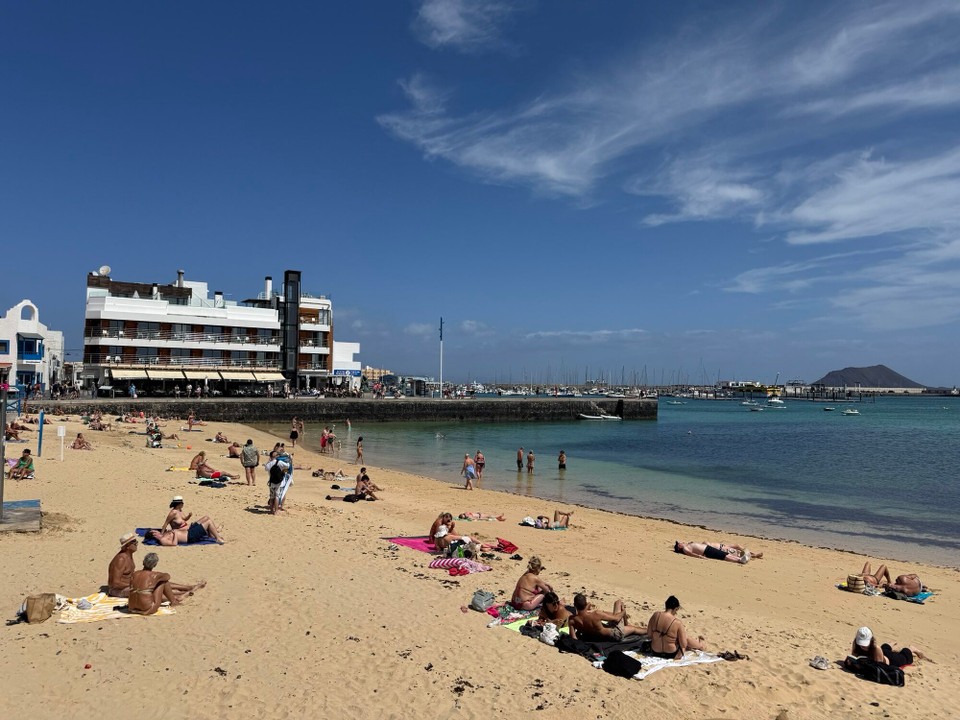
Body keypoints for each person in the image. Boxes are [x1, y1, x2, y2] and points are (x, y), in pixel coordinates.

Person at [127, 553, 205, 615]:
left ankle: (185, 591)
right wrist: (159, 577)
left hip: (132, 606)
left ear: (143, 562)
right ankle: (174, 601)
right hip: (147, 607)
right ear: (155, 565)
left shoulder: (135, 574)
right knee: (163, 581)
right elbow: (167, 576)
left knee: (146, 588)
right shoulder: (155, 575)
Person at [569, 593, 646, 642]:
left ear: (574, 605)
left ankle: (626, 625)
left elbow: (573, 638)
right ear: (585, 604)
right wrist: (623, 612)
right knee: (618, 603)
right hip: (614, 635)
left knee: (618, 619)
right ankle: (649, 631)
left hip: (595, 637)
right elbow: (617, 619)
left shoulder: (572, 620)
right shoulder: (596, 614)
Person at [847, 626, 928, 667]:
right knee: (885, 648)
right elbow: (853, 656)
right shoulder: (856, 643)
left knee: (905, 657)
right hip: (883, 653)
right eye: (861, 643)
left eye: (865, 644)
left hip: (891, 660)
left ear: (871, 640)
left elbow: (879, 666)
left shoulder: (876, 648)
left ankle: (912, 648)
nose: (863, 646)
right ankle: (892, 642)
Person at [145, 514, 225, 544]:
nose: (157, 531)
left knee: (206, 518)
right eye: (155, 531)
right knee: (209, 522)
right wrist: (175, 533)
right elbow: (174, 544)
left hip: (188, 532)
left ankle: (213, 534)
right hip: (190, 536)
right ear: (154, 534)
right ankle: (217, 538)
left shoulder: (163, 535)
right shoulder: (163, 540)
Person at [107, 532, 139, 597]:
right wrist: (133, 585)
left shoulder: (129, 556)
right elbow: (115, 583)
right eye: (134, 543)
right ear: (127, 546)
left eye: (136, 542)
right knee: (144, 592)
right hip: (118, 590)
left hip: (127, 586)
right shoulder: (121, 560)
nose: (136, 544)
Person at [673, 540, 758, 563]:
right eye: (679, 543)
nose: (681, 542)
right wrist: (699, 557)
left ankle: (739, 558)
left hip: (707, 549)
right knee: (722, 556)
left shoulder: (687, 545)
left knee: (723, 554)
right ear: (679, 547)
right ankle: (739, 560)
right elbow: (691, 554)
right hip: (706, 551)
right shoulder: (685, 548)